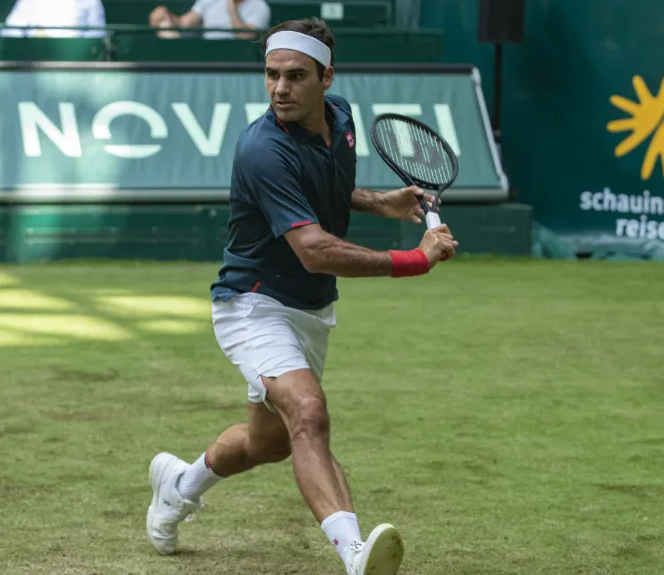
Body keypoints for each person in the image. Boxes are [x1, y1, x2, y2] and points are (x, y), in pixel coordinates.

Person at [145, 17, 458, 575]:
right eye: (271, 75)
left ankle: (178, 484)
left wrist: (381, 202)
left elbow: (327, 191)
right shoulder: (262, 149)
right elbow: (313, 248)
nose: (280, 88)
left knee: (269, 443)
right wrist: (415, 260)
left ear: (326, 78)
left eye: (294, 76)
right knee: (308, 412)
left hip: (310, 310)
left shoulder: (340, 121)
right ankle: (355, 553)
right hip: (251, 302)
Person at [148, 0, 269, 40]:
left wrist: (231, 6)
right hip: (206, 53)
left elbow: (244, 36)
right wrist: (165, 15)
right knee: (164, 29)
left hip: (237, 60)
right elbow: (184, 23)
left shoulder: (259, 7)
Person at [0, 0, 106, 38]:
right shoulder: (29, 2)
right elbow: (8, 32)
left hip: (75, 69)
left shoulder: (91, 2)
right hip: (32, 66)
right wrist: (35, 36)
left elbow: (97, 37)